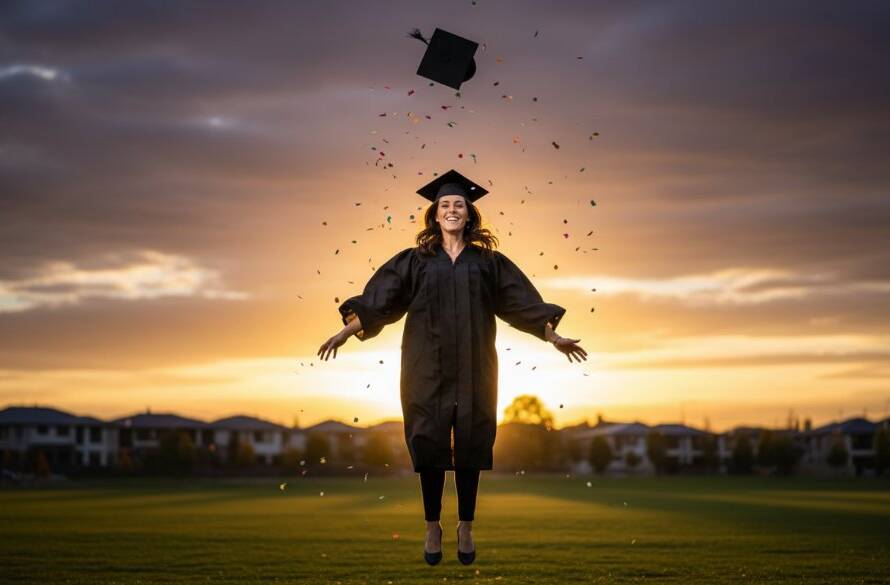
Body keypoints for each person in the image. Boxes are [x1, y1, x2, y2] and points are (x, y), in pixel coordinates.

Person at [317, 170, 587, 565]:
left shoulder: (489, 263)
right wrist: (346, 332)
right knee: (428, 443)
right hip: (426, 366)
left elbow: (520, 303)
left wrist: (553, 337)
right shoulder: (415, 262)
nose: (452, 210)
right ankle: (431, 525)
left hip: (475, 366)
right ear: (435, 214)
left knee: (472, 443)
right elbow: (382, 302)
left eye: (458, 204)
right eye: (445, 205)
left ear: (470, 213)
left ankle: (465, 525)